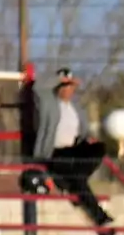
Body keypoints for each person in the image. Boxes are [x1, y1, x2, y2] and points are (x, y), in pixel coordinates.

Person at [32, 67, 111, 226]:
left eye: (70, 86)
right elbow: (37, 88)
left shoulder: (76, 108)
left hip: (73, 150)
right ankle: (99, 216)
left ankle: (70, 183)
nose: (67, 89)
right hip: (54, 152)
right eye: (64, 86)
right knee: (78, 178)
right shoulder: (48, 103)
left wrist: (88, 140)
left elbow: (83, 131)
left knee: (99, 148)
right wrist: (58, 79)